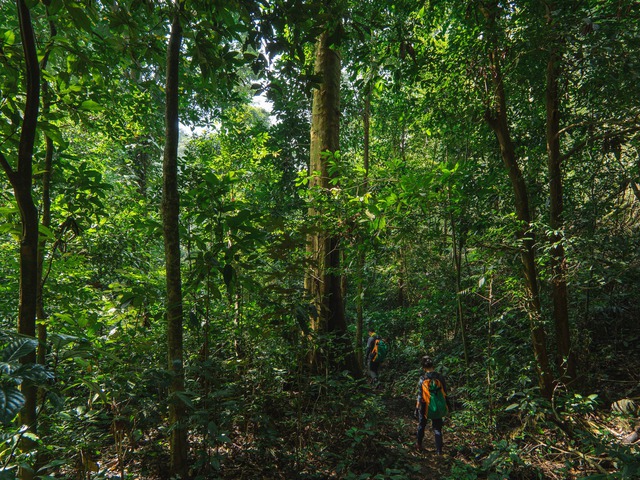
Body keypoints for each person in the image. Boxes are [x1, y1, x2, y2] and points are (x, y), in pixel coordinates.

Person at [415, 355, 449, 455]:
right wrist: (447, 405)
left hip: (425, 406)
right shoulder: (440, 377)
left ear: (423, 367)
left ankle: (419, 445)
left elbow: (420, 395)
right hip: (438, 405)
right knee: (437, 428)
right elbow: (445, 392)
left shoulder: (422, 378)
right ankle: (439, 451)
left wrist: (417, 407)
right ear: (433, 365)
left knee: (422, 425)